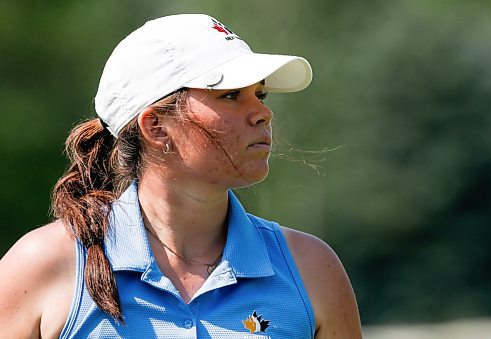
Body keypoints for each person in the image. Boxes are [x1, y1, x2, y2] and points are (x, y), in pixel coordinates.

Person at [0, 14, 362, 338]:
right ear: (156, 126)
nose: (263, 113)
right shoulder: (42, 266)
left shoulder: (313, 268)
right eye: (232, 95)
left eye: (260, 93)